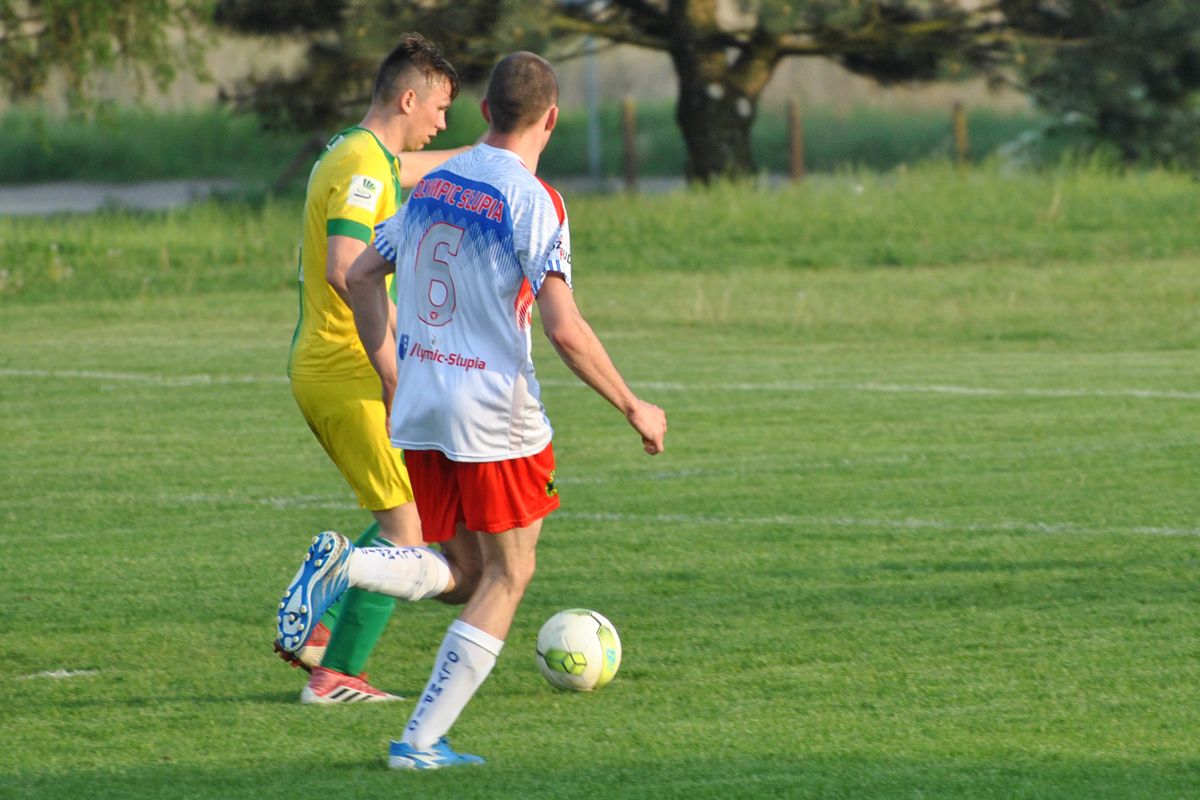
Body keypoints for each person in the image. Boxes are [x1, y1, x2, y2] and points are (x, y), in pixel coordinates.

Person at [274, 51, 667, 768]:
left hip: (422, 406)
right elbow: (564, 328)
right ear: (552, 119)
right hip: (494, 415)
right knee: (509, 576)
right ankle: (419, 742)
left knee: (462, 575)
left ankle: (351, 567)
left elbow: (359, 275)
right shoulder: (535, 200)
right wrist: (633, 404)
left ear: (485, 111)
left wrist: (392, 368)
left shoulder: (431, 184)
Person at [283, 33, 470, 704]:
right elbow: (344, 269)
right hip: (350, 370)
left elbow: (412, 169)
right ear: (409, 99)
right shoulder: (364, 165)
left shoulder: (359, 151)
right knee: (409, 532)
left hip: (332, 367)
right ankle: (336, 677)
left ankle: (319, 624)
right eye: (440, 109)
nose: (442, 124)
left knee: (408, 513)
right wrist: (396, 363)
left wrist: (491, 154)